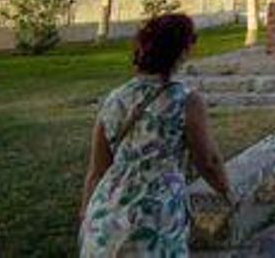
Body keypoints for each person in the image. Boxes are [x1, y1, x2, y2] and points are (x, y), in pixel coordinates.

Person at [79, 13, 232, 257]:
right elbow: (208, 161)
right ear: (181, 51)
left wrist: (87, 216)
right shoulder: (185, 100)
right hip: (158, 219)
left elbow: (96, 171)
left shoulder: (115, 99)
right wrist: (226, 190)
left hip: (106, 220)